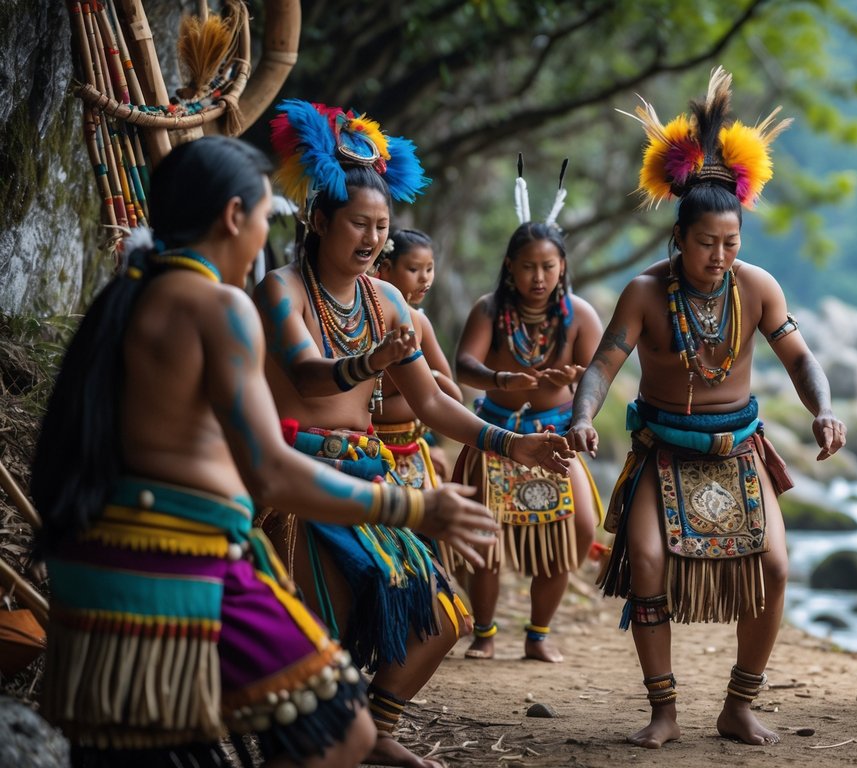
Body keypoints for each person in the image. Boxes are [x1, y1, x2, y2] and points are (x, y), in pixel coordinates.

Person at [29, 136, 499, 768]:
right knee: (342, 734)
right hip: (179, 562)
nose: (263, 233)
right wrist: (415, 509)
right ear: (233, 216)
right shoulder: (223, 305)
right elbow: (271, 470)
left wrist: (507, 442)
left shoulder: (123, 298)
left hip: (94, 559)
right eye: (263, 215)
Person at [255, 100, 570, 768]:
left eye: (383, 227)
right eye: (358, 225)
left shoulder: (387, 301)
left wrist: (511, 444)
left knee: (443, 617)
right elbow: (310, 378)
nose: (373, 239)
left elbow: (431, 402)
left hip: (371, 474)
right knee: (322, 634)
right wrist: (368, 363)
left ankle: (372, 728)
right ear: (317, 221)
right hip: (296, 476)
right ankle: (320, 740)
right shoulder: (279, 290)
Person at [567, 67, 845, 748]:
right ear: (678, 238)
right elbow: (602, 365)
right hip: (662, 448)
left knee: (775, 568)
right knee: (648, 560)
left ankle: (737, 705)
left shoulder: (757, 288)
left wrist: (823, 407)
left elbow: (802, 359)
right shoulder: (642, 293)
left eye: (731, 244)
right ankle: (662, 711)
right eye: (705, 243)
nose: (719, 257)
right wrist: (580, 415)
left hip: (737, 450)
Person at [450, 159, 603, 663]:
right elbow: (463, 364)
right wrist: (499, 379)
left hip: (556, 438)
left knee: (579, 529)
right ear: (510, 268)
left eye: (548, 266)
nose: (538, 277)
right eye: (528, 267)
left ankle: (538, 634)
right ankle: (486, 633)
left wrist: (575, 379)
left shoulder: (580, 315)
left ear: (562, 267)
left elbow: (600, 372)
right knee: (484, 534)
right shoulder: (490, 310)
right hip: (495, 434)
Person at [373, 227, 463, 486]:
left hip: (413, 449)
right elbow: (369, 408)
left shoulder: (419, 320)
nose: (424, 279)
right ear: (386, 268)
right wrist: (424, 389)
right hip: (371, 447)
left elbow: (451, 395)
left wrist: (431, 379)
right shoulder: (367, 316)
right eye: (414, 270)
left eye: (429, 269)